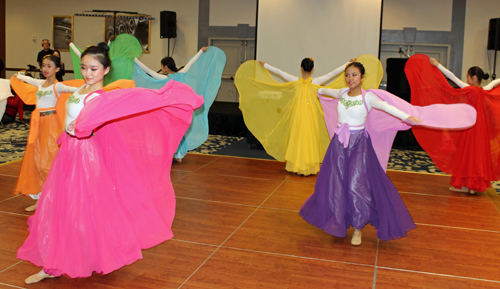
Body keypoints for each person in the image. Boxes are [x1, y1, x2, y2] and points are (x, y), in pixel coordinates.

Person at [17, 42, 203, 284]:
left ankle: (74, 258)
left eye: (93, 69)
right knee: (59, 207)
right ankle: (52, 263)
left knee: (80, 210)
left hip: (84, 157)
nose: (87, 73)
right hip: (68, 154)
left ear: (105, 70)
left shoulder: (101, 97)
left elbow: (100, 125)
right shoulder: (80, 89)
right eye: (84, 68)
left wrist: (83, 130)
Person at [299, 60, 476, 246]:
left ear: (362, 78)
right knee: (337, 183)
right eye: (347, 75)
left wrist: (406, 117)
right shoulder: (341, 93)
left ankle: (358, 228)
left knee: (355, 185)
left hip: (359, 145)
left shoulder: (368, 98)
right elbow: (323, 90)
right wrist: (317, 90)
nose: (350, 78)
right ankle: (339, 221)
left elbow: (388, 108)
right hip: (339, 145)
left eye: (354, 75)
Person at [235, 57, 376, 176]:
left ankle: (296, 166)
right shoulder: (316, 81)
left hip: (298, 117)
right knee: (309, 138)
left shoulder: (295, 81)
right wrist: (347, 64)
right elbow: (334, 73)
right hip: (310, 116)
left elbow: (280, 73)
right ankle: (308, 167)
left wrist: (265, 65)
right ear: (312, 69)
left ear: (301, 68)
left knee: (298, 138)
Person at [405, 55, 500, 195]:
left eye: (468, 76)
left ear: (473, 78)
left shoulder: (469, 89)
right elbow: (497, 81)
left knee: (467, 155)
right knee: (477, 155)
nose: (467, 79)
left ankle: (465, 185)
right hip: (481, 129)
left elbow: (453, 77)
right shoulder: (485, 89)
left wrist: (438, 65)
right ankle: (474, 185)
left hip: (469, 128)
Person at [11, 54, 80, 212]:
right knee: (37, 160)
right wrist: (18, 75)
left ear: (57, 68)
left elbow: (73, 89)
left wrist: (89, 89)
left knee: (48, 162)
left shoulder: (58, 86)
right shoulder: (40, 83)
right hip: (38, 124)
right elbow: (28, 80)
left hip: (51, 126)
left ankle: (53, 198)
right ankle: (41, 199)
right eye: (43, 66)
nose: (45, 69)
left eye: (49, 66)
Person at [133, 46, 226, 162]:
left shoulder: (164, 78)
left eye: (162, 66)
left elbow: (148, 71)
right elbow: (191, 63)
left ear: (165, 67)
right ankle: (178, 154)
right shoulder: (181, 74)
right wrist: (200, 51)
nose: (161, 68)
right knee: (179, 130)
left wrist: (135, 59)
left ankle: (172, 153)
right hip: (181, 109)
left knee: (168, 131)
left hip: (170, 109)